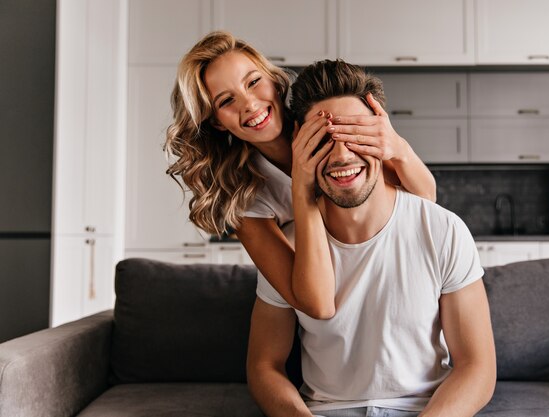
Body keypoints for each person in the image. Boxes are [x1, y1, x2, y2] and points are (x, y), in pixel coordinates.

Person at [246, 60, 496, 417]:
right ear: (300, 141)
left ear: (381, 134)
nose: (342, 155)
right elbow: (263, 366)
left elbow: (477, 367)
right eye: (324, 139)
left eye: (356, 135)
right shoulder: (285, 247)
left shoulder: (443, 229)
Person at [165, 31, 437, 318]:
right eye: (225, 101)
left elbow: (425, 200)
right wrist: (302, 186)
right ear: (217, 123)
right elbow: (318, 305)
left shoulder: (324, 120)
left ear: (274, 81)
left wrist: (399, 148)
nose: (249, 104)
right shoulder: (247, 201)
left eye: (254, 82)